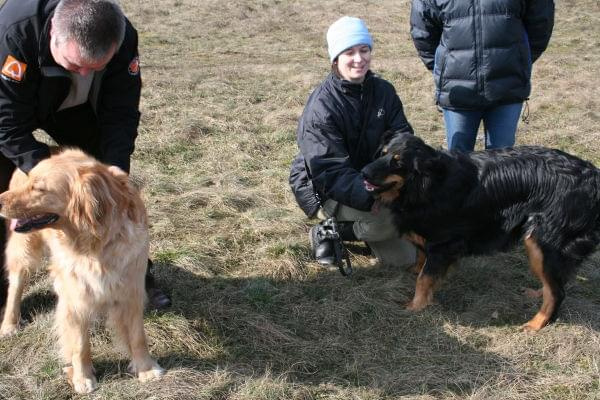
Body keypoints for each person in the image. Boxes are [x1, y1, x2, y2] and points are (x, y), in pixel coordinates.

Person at [0, 0, 170, 310]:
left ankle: (138, 276)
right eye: (75, 65)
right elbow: (6, 123)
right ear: (53, 33)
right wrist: (51, 177)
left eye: (94, 68)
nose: (83, 73)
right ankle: (5, 289)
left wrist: (114, 176)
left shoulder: (122, 38)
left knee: (105, 190)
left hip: (77, 111)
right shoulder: (14, 31)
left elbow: (120, 114)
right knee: (6, 190)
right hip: (15, 105)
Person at [289, 16, 416, 269]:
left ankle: (364, 229)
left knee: (407, 257)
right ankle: (330, 229)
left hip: (373, 183)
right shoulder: (322, 107)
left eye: (364, 49)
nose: (359, 59)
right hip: (327, 189)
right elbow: (330, 171)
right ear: (335, 58)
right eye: (349, 52)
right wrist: (374, 196)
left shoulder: (384, 91)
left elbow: (402, 139)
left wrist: (406, 181)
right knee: (389, 222)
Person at [410, 0, 554, 152]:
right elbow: (423, 32)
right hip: (458, 91)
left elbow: (540, 25)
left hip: (507, 87)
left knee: (502, 162)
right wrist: (445, 68)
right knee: (458, 162)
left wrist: (518, 60)